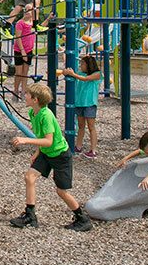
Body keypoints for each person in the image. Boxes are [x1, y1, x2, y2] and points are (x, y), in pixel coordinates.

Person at [10, 84, 93, 231]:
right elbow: (40, 136)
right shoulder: (32, 113)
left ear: (35, 100)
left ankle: (82, 218)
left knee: (61, 191)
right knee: (29, 177)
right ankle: (30, 215)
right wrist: (37, 152)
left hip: (60, 155)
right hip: (46, 152)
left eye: (27, 94)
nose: (25, 95)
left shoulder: (46, 115)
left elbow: (48, 140)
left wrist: (25, 140)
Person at [63, 55, 102, 158]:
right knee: (80, 126)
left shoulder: (97, 74)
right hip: (80, 103)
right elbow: (77, 76)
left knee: (91, 126)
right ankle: (78, 146)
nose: (81, 65)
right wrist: (67, 72)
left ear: (89, 65)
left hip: (89, 104)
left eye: (83, 64)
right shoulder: (80, 74)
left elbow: (85, 79)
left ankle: (93, 150)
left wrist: (73, 74)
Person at [13, 4, 53, 98]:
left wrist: (48, 19)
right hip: (19, 50)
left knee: (25, 72)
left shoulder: (32, 24)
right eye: (25, 9)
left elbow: (40, 28)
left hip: (29, 50)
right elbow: (18, 37)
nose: (26, 11)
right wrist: (22, 51)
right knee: (19, 72)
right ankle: (15, 90)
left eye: (29, 10)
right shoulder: (20, 23)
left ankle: (23, 92)